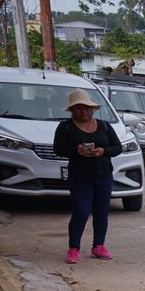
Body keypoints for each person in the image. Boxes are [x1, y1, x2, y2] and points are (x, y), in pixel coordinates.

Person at [52, 89, 121, 265]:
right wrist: (77, 150)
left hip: (103, 176)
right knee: (81, 212)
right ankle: (74, 248)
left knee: (101, 212)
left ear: (93, 109)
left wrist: (103, 151)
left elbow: (117, 147)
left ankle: (99, 246)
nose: (84, 112)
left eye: (87, 108)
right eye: (79, 109)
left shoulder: (105, 126)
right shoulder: (65, 127)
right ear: (72, 111)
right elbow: (58, 149)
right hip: (80, 177)